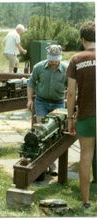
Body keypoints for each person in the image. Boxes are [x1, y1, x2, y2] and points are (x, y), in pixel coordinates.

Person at [66, 21, 95, 209]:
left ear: (82, 39)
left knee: (86, 158)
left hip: (86, 116)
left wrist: (70, 119)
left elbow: (70, 93)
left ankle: (85, 202)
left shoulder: (76, 59)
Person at [27, 44, 68, 176]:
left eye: (56, 59)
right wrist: (29, 99)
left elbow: (72, 87)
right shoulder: (39, 67)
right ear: (47, 57)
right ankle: (41, 165)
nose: (53, 62)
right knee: (41, 133)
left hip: (58, 103)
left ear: (60, 57)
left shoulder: (66, 69)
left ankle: (52, 164)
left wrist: (70, 103)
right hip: (41, 102)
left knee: (56, 135)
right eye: (51, 59)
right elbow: (31, 82)